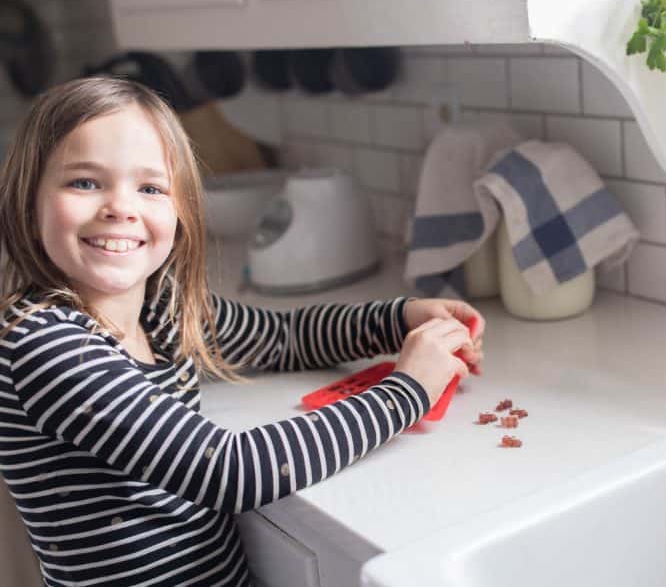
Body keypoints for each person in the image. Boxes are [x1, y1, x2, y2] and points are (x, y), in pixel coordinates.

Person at [0, 77, 485, 586]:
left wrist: (399, 317)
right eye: (84, 182)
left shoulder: (161, 309)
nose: (120, 207)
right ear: (28, 204)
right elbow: (230, 472)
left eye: (149, 188)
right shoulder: (43, 342)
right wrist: (406, 391)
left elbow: (283, 337)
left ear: (180, 210)